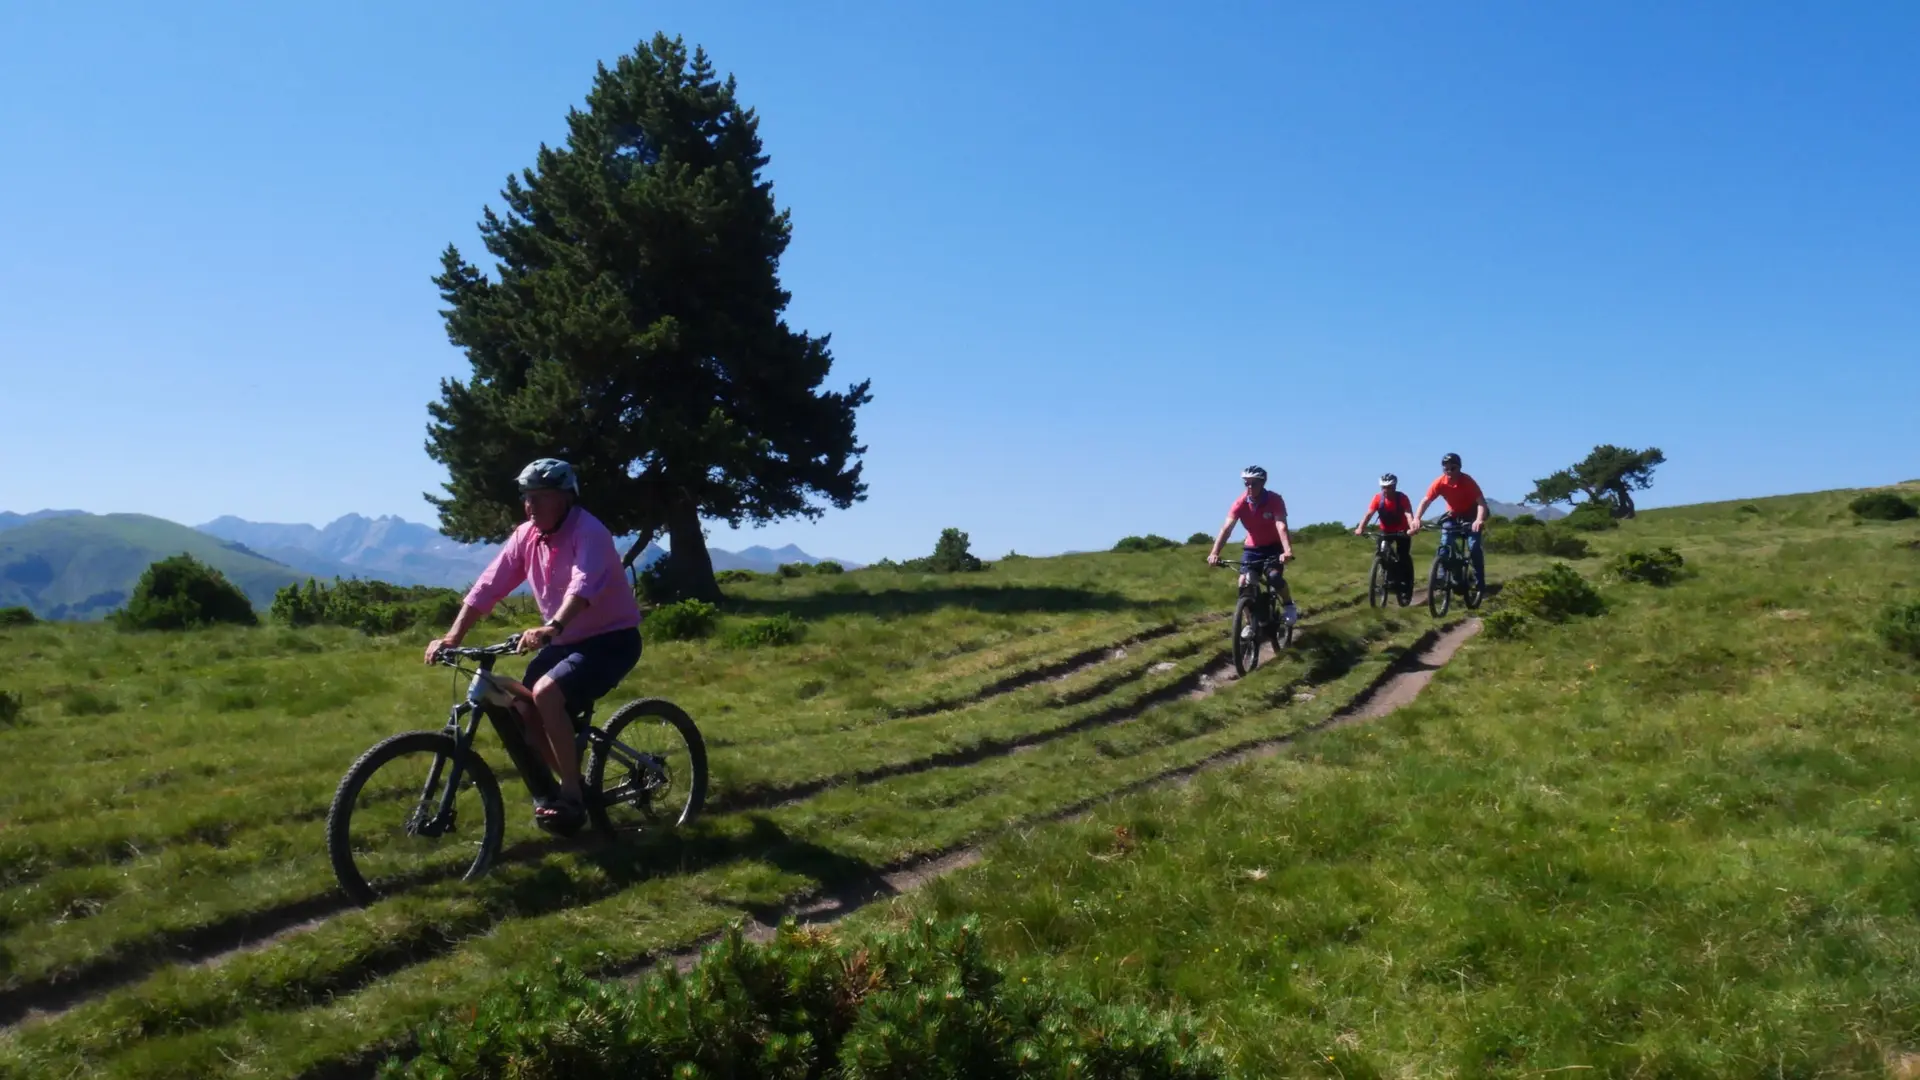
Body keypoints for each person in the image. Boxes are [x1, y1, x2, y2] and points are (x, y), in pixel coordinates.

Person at [424, 458, 643, 831]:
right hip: (566, 641)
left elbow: (583, 586)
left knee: (546, 694)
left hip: (611, 640)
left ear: (565, 499)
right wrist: (453, 637)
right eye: (527, 497)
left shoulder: (588, 531)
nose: (531, 506)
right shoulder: (527, 535)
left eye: (540, 497)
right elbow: (488, 585)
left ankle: (572, 795)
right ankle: (573, 782)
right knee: (523, 709)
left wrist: (551, 626)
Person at [1205, 465, 1297, 627]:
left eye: (1253, 483)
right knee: (1244, 583)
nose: (1249, 487)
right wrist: (1214, 552)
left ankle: (1288, 605)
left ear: (1263, 483)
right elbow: (1226, 529)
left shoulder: (1275, 500)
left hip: (1274, 547)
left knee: (1274, 577)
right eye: (1246, 483)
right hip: (1252, 549)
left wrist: (1287, 551)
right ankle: (1250, 624)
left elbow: (1281, 526)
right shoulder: (1240, 503)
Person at [1410, 452, 1489, 592]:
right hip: (1453, 515)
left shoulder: (1467, 481)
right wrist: (1417, 518)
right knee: (1445, 543)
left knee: (1474, 546)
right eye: (1446, 469)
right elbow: (1426, 501)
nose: (1449, 472)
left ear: (1459, 468)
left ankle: (1479, 583)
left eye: (1453, 468)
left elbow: (1481, 503)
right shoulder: (1440, 482)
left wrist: (1478, 520)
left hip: (1472, 515)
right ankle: (1441, 577)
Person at [1354, 473, 1415, 599]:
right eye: (1383, 487)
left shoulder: (1402, 498)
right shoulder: (1377, 498)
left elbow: (1408, 513)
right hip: (1386, 531)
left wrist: (1412, 527)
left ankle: (1405, 582)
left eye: (1389, 487)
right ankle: (1387, 575)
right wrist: (1361, 528)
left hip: (1402, 531)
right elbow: (1369, 514)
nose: (1386, 490)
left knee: (1403, 556)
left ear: (1395, 486)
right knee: (1381, 552)